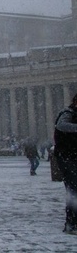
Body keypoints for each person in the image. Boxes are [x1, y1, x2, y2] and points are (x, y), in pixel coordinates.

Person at [54, 93, 77, 235]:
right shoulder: (67, 113)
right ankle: (71, 224)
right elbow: (61, 125)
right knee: (74, 190)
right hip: (67, 156)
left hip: (72, 156)